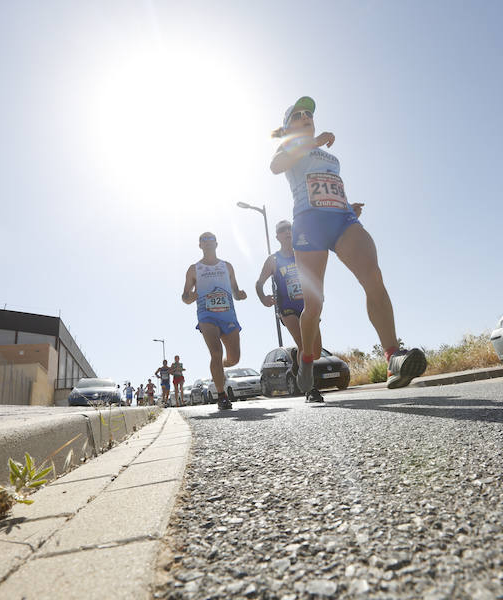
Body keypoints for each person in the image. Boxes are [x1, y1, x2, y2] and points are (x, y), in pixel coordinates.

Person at [270, 96, 427, 393]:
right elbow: (276, 166)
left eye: (310, 113)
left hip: (342, 220)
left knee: (373, 277)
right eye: (299, 114)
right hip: (309, 224)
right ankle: (305, 359)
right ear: (289, 126)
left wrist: (345, 204)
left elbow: (328, 183)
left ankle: (393, 358)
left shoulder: (327, 155)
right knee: (314, 304)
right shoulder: (290, 147)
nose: (307, 116)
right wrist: (312, 140)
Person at [255, 219, 324, 402]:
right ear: (277, 236)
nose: (287, 232)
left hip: (308, 304)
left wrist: (318, 293)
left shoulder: (303, 253)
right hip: (287, 307)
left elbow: (315, 275)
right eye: (282, 230)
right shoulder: (273, 259)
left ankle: (296, 360)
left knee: (315, 352)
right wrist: (263, 297)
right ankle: (310, 389)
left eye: (290, 229)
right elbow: (259, 282)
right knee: (304, 343)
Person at [181, 232, 247, 410]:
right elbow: (184, 297)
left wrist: (240, 295)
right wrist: (190, 297)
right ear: (200, 245)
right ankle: (222, 395)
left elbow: (235, 291)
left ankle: (222, 366)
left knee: (234, 358)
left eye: (211, 239)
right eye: (204, 240)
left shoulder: (227, 266)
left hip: (228, 316)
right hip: (206, 315)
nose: (208, 242)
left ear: (217, 244)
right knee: (215, 352)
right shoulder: (194, 269)